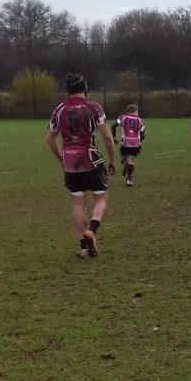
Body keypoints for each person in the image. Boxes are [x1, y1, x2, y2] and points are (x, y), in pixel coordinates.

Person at [46, 73, 117, 258]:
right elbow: (108, 137)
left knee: (78, 203)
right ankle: (92, 230)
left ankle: (84, 247)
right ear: (85, 87)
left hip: (69, 161)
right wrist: (112, 159)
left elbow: (50, 139)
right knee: (101, 199)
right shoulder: (94, 107)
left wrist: (61, 158)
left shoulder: (59, 109)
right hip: (90, 157)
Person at [111, 104, 145, 186]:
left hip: (125, 143)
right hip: (136, 144)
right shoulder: (140, 120)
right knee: (130, 159)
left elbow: (113, 125)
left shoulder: (122, 117)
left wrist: (114, 137)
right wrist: (138, 140)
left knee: (124, 156)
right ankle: (129, 180)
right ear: (135, 111)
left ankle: (126, 162)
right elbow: (143, 135)